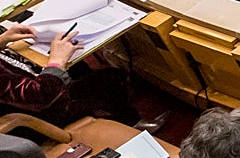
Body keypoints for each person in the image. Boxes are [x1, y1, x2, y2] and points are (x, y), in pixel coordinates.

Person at [0, 23, 138, 127]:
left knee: (96, 73)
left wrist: (3, 39)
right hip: (35, 118)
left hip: (31, 94)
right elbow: (40, 97)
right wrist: (57, 61)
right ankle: (132, 131)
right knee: (109, 82)